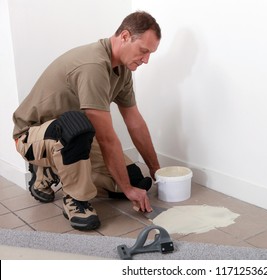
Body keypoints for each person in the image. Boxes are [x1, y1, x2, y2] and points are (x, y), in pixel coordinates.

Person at [12, 11, 162, 231]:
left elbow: (135, 122)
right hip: (32, 136)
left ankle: (55, 170)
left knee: (136, 180)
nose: (146, 60)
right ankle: (75, 199)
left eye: (150, 54)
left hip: (70, 135)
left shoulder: (122, 70)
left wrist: (156, 171)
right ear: (125, 36)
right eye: (143, 51)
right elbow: (105, 137)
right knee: (78, 125)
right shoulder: (93, 66)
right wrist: (127, 190)